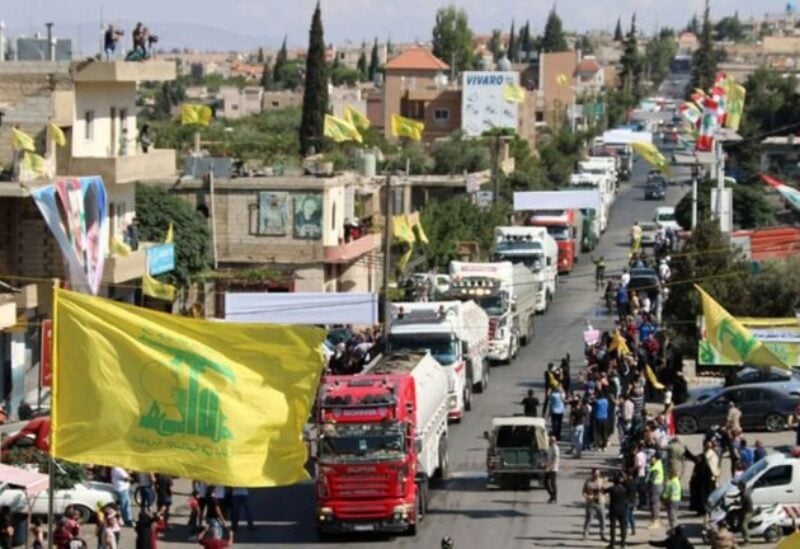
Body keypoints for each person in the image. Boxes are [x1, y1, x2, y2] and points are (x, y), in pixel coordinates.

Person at [582, 468, 607, 542]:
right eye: (595, 474)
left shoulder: (602, 480)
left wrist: (604, 495)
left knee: (602, 519)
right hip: (591, 502)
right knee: (589, 519)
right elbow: (583, 491)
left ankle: (603, 534)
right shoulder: (588, 481)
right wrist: (587, 496)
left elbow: (606, 491)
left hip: (600, 502)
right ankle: (585, 534)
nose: (596, 475)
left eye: (598, 474)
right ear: (592, 474)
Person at [604, 473, 628, 549]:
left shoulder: (612, 489)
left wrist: (604, 481)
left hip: (613, 509)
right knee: (623, 527)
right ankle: (623, 543)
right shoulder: (624, 489)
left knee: (613, 527)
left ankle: (612, 544)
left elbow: (603, 491)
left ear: (614, 481)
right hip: (623, 509)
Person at [647, 454, 665, 529]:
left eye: (652, 458)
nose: (651, 459)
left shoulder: (656, 467)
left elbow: (652, 478)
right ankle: (656, 520)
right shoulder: (658, 464)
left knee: (654, 504)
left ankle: (655, 521)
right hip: (658, 485)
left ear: (656, 459)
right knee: (656, 503)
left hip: (655, 486)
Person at [736, 480, 753, 545]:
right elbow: (735, 496)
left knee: (743, 524)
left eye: (738, 486)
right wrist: (726, 496)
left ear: (741, 486)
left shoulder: (744, 494)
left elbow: (740, 504)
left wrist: (734, 503)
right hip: (744, 510)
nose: (737, 487)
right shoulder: (742, 492)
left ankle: (747, 540)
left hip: (748, 512)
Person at [544, 433, 559, 504]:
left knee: (553, 483)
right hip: (548, 467)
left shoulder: (555, 448)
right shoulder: (549, 447)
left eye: (553, 440)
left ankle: (554, 497)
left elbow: (555, 458)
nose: (552, 441)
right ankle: (552, 495)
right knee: (546, 483)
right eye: (551, 440)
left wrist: (551, 467)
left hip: (553, 468)